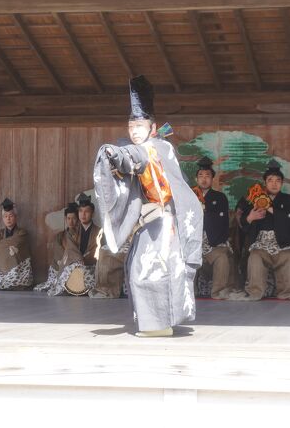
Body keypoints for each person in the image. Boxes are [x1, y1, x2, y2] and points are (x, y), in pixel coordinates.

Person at [93, 75, 203, 337]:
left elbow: (134, 157)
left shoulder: (155, 148)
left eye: (140, 125)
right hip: (150, 222)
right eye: (131, 126)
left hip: (163, 223)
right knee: (140, 270)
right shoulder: (152, 147)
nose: (134, 130)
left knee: (148, 272)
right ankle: (157, 322)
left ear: (152, 128)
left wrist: (115, 154)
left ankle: (159, 325)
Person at [234, 160, 290, 301]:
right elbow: (244, 223)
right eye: (270, 180)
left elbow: (288, 220)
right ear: (265, 182)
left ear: (282, 183)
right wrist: (250, 217)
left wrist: (268, 207)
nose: (274, 183)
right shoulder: (254, 198)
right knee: (255, 257)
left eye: (278, 180)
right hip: (261, 243)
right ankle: (255, 292)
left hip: (282, 242)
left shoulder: (287, 199)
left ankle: (288, 292)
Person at [34, 196, 100, 296]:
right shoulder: (72, 232)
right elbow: (70, 249)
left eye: (87, 211)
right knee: (71, 270)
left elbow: (98, 250)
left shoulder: (99, 231)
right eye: (81, 211)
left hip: (91, 265)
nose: (83, 214)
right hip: (75, 264)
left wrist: (86, 259)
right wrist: (78, 259)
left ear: (93, 213)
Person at [192, 156, 237, 299]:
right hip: (192, 242)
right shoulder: (189, 195)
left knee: (222, 257)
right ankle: (189, 293)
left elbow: (222, 223)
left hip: (213, 241)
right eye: (201, 176)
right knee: (184, 257)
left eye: (207, 176)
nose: (204, 179)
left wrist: (205, 210)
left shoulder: (220, 197)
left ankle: (218, 292)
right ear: (196, 179)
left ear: (212, 179)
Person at [0, 198, 33, 290]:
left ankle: (9, 283)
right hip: (1, 271)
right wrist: (8, 248)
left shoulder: (22, 233)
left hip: (18, 272)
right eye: (5, 216)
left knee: (22, 282)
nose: (8, 219)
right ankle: (7, 282)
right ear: (3, 218)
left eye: (11, 216)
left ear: (16, 217)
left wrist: (2, 249)